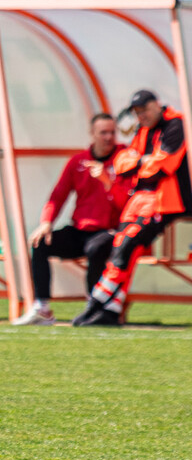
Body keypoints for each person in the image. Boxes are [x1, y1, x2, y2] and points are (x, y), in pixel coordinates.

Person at [74, 90, 191, 326]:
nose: (141, 116)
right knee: (123, 247)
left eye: (144, 110)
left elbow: (162, 166)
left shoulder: (175, 124)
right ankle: (112, 309)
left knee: (126, 246)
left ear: (157, 105)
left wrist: (139, 163)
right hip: (140, 198)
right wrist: (141, 161)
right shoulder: (143, 129)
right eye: (137, 113)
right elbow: (122, 163)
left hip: (166, 200)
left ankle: (96, 301)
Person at [12, 113, 130, 325]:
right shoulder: (78, 162)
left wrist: (106, 180)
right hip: (80, 231)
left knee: (97, 248)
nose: (109, 137)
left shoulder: (125, 159)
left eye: (112, 132)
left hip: (111, 230)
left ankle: (94, 307)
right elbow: (57, 196)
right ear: (92, 134)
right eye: (103, 132)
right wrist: (46, 222)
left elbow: (127, 204)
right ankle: (42, 308)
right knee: (41, 243)